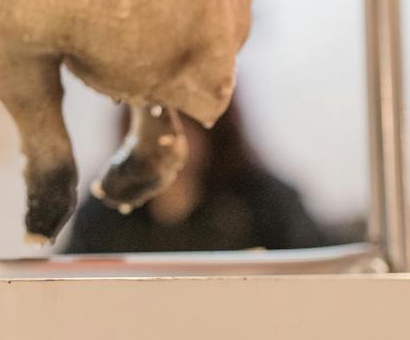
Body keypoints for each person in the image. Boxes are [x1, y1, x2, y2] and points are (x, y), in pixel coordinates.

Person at [59, 99, 326, 254]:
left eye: (184, 123)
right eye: (155, 123)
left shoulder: (264, 200)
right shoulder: (107, 208)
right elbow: (69, 286)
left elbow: (318, 276)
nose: (169, 140)